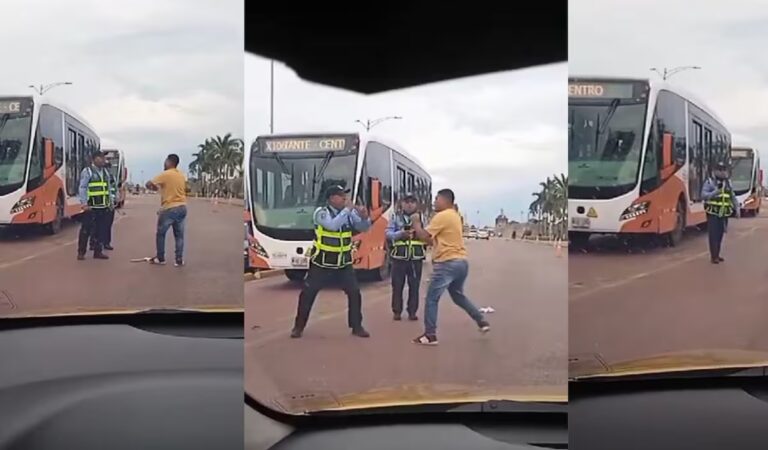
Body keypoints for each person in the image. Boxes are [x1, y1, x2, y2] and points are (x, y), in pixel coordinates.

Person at [410, 188, 490, 345]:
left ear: (446, 200)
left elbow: (425, 236)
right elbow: (431, 240)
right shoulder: (455, 216)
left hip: (447, 263)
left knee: (432, 298)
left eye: (437, 199)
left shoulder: (443, 216)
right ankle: (481, 320)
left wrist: (416, 223)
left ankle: (430, 335)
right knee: (458, 296)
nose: (434, 202)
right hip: (461, 263)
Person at [291, 185, 372, 339]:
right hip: (322, 262)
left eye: (344, 195)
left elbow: (364, 228)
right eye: (340, 195)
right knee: (308, 294)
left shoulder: (348, 214)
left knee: (354, 293)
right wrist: (348, 210)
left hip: (343, 263)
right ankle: (298, 327)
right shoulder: (321, 213)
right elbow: (332, 226)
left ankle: (356, 326)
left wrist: (364, 217)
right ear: (331, 198)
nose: (344, 198)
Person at [385, 193, 426, 321]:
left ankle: (412, 312)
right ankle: (397, 311)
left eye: (412, 201)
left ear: (416, 204)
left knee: (414, 286)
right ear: (402, 203)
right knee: (397, 286)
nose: (409, 204)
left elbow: (429, 234)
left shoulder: (422, 218)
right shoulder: (395, 217)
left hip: (416, 258)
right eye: (406, 201)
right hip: (399, 257)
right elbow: (388, 233)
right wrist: (401, 234)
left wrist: (418, 231)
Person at [145, 154, 188, 266]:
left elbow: (149, 184)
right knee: (179, 236)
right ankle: (179, 259)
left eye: (165, 161)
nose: (164, 163)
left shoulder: (165, 174)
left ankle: (161, 258)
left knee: (161, 234)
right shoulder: (181, 175)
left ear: (169, 162)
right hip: (182, 207)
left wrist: (154, 188)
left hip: (169, 208)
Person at [702, 161, 738, 264]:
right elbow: (703, 195)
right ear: (715, 171)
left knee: (720, 234)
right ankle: (714, 256)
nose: (722, 172)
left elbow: (732, 196)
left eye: (723, 170)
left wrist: (737, 209)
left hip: (724, 213)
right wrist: (715, 192)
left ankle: (717, 254)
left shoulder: (728, 183)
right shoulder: (710, 182)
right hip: (713, 213)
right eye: (719, 170)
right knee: (713, 234)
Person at [77, 151, 111, 261]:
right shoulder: (88, 172)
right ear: (94, 159)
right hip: (91, 206)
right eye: (100, 158)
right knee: (86, 230)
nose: (103, 160)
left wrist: (110, 202)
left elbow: (108, 189)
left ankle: (98, 251)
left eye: (103, 158)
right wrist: (84, 203)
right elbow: (83, 187)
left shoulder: (105, 172)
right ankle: (81, 252)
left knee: (101, 230)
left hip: (103, 206)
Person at [90, 162, 116, 251]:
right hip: (100, 204)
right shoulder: (99, 176)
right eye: (107, 167)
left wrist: (113, 201)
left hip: (109, 204)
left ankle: (106, 243)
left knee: (107, 225)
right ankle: (94, 243)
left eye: (109, 168)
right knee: (97, 226)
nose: (108, 169)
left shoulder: (110, 177)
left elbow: (113, 189)